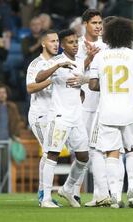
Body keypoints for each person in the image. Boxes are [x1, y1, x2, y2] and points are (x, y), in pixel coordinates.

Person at [89, 17, 133, 208]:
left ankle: (116, 196)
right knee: (132, 150)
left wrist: (107, 84)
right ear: (129, 35)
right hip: (129, 111)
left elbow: (93, 85)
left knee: (112, 153)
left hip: (108, 110)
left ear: (108, 36)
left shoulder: (100, 57)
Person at [40, 29, 89, 208]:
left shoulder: (81, 62)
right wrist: (57, 66)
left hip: (77, 117)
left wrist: (81, 89)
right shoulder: (56, 60)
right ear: (62, 45)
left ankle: (67, 188)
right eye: (70, 42)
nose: (75, 45)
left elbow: (77, 86)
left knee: (84, 157)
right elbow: (39, 78)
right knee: (52, 154)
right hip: (59, 116)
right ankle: (45, 198)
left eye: (76, 42)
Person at [26, 29, 72, 207]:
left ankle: (43, 193)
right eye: (52, 41)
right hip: (40, 115)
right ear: (43, 43)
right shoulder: (36, 64)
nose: (56, 44)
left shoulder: (60, 62)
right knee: (48, 152)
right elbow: (30, 88)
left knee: (51, 153)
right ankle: (43, 194)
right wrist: (51, 80)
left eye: (57, 41)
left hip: (55, 115)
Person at [75, 9, 106, 207]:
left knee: (99, 150)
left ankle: (99, 193)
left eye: (100, 22)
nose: (98, 26)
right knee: (82, 150)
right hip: (83, 104)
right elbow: (71, 73)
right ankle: (74, 190)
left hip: (103, 103)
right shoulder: (76, 45)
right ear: (85, 23)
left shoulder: (107, 46)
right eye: (94, 22)